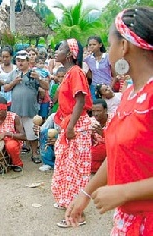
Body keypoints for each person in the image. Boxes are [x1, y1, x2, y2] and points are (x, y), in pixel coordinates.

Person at [65, 7, 153, 235]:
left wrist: (124, 192)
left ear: (124, 46)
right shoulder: (130, 94)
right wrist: (85, 194)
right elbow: (117, 154)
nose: (108, 50)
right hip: (128, 221)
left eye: (110, 43)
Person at [50, 38, 92, 227]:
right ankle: (68, 202)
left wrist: (70, 127)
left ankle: (78, 214)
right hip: (70, 124)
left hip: (76, 126)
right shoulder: (69, 73)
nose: (56, 50)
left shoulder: (75, 72)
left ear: (69, 54)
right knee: (66, 167)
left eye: (60, 48)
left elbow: (81, 101)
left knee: (75, 170)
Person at [4, 50, 49, 164]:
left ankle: (34, 153)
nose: (20, 63)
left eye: (23, 61)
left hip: (30, 109)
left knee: (32, 132)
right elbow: (5, 88)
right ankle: (17, 152)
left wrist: (38, 78)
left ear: (28, 62)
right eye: (18, 61)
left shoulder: (34, 73)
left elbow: (47, 87)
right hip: (16, 109)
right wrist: (14, 82)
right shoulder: (13, 74)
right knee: (17, 132)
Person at [84, 36, 115, 101]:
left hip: (107, 87)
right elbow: (88, 74)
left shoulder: (107, 57)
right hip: (95, 88)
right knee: (96, 107)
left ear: (100, 45)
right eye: (90, 45)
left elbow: (115, 75)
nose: (92, 46)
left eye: (94, 44)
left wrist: (110, 88)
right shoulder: (88, 59)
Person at [90, 99, 113, 174]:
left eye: (98, 111)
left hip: (110, 147)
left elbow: (118, 139)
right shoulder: (91, 121)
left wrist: (103, 134)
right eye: (93, 111)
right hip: (96, 150)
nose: (95, 114)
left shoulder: (114, 120)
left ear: (105, 110)